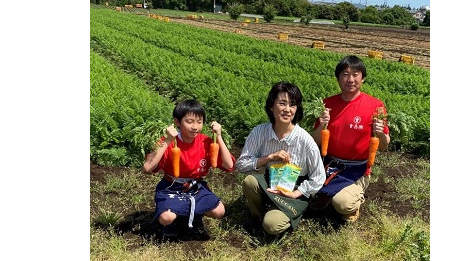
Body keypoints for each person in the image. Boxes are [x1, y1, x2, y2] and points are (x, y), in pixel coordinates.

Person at [236, 82, 326, 236]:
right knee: (249, 181)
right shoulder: (260, 132)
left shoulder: (305, 140)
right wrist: (268, 157)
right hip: (271, 181)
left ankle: (289, 213)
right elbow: (241, 165)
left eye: (292, 105)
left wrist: (296, 193)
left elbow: (319, 177)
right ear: (272, 106)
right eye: (282, 103)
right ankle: (258, 217)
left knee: (271, 225)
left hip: (293, 188)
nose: (287, 109)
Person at [311, 55, 390, 223]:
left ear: (363, 78)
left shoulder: (375, 106)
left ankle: (353, 202)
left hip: (357, 169)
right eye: (345, 74)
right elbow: (316, 141)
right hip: (329, 164)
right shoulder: (328, 104)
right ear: (338, 78)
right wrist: (321, 125)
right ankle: (327, 194)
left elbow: (383, 146)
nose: (350, 79)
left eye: (355, 74)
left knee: (343, 203)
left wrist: (381, 133)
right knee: (301, 189)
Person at [143, 99, 235, 238]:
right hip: (171, 186)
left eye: (199, 121)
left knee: (219, 211)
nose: (195, 127)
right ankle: (169, 223)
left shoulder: (206, 141)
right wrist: (167, 141)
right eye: (189, 121)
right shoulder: (168, 141)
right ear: (178, 122)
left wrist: (219, 136)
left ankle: (193, 218)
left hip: (195, 186)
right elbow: (147, 167)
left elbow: (229, 165)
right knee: (167, 217)